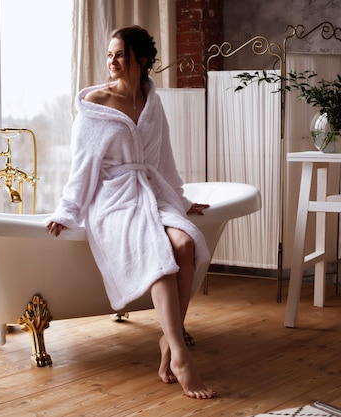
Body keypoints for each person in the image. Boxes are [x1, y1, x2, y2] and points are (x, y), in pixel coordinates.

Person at [45, 25, 217, 399]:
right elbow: (82, 168)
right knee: (159, 255)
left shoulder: (151, 102)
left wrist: (182, 200)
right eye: (109, 55)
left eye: (120, 54)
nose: (112, 62)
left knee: (185, 244)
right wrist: (67, 210)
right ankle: (181, 356)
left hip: (151, 190)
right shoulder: (96, 108)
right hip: (112, 198)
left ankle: (167, 341)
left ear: (140, 59)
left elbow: (163, 160)